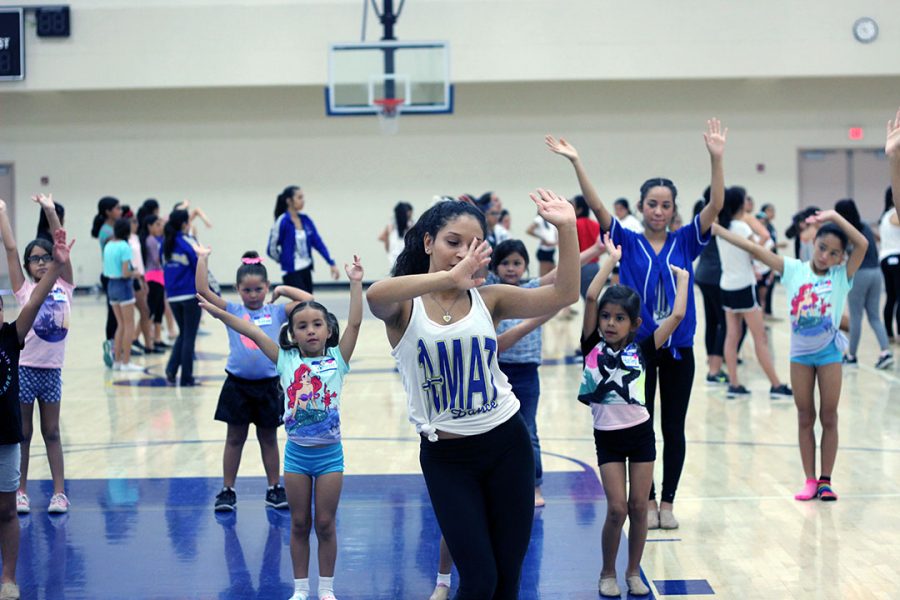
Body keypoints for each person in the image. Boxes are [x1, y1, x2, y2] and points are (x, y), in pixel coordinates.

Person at [367, 192, 579, 599]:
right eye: (453, 242)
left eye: (473, 244)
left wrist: (566, 229)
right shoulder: (404, 308)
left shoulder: (490, 299)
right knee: (479, 579)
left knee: (507, 578)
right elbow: (376, 294)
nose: (463, 252)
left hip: (507, 445)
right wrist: (449, 278)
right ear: (428, 242)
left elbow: (565, 294)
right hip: (448, 459)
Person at [546, 118, 727, 530]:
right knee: (640, 425)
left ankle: (667, 501)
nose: (659, 211)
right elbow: (596, 208)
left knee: (673, 427)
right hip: (636, 355)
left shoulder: (686, 241)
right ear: (642, 206)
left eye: (666, 205)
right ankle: (644, 498)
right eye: (652, 204)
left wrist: (716, 159)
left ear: (674, 209)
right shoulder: (628, 240)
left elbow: (715, 207)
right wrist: (577, 162)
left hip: (678, 349)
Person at [197, 255, 363, 600]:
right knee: (299, 524)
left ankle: (327, 589)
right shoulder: (285, 360)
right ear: (291, 333)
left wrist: (356, 283)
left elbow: (356, 325)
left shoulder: (339, 359)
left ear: (328, 329)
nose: (311, 330)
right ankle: (301, 589)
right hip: (297, 458)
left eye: (317, 324)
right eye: (302, 326)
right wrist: (217, 312)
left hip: (331, 457)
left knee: (326, 524)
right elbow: (251, 330)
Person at [714, 208, 867, 501]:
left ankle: (826, 480)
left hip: (829, 356)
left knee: (830, 416)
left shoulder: (841, 276)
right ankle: (809, 480)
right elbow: (754, 249)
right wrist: (718, 231)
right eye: (822, 248)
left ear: (840, 259)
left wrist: (834, 217)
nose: (825, 256)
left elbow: (862, 244)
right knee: (805, 416)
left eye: (833, 253)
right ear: (813, 243)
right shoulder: (794, 269)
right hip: (800, 357)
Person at [581, 234, 690, 597]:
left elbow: (676, 315)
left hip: (641, 435)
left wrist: (684, 280)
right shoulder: (590, 346)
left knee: (639, 507)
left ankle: (632, 572)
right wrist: (611, 259)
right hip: (607, 438)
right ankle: (606, 571)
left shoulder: (645, 347)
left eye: (620, 318)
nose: (610, 323)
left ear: (635, 323)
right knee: (617, 509)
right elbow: (593, 296)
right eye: (607, 318)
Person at [195, 247, 312, 512]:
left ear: (266, 286)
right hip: (237, 385)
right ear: (237, 289)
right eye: (247, 290)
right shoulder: (233, 309)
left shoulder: (277, 311)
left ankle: (274, 487)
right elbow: (203, 291)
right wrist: (202, 258)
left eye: (259, 289)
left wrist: (283, 289)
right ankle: (227, 489)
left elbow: (308, 300)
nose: (253, 295)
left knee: (268, 439)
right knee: (234, 438)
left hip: (269, 386)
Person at [0, 223, 72, 600]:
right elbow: (11, 250)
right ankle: (23, 489)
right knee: (26, 433)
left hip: (49, 374)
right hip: (25, 373)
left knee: (50, 433)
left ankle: (58, 492)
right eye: (35, 259)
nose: (39, 263)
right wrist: (4, 215)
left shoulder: (60, 288)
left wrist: (58, 263)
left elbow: (40, 292)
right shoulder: (23, 287)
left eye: (45, 258)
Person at [715, 187, 791, 398]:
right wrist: (765, 241)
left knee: (732, 335)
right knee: (760, 338)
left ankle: (734, 384)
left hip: (727, 285)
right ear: (740, 205)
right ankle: (776, 385)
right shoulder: (740, 227)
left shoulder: (722, 226)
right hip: (744, 286)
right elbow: (756, 251)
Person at [834, 199, 893, 368]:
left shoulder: (846, 232)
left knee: (856, 317)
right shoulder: (865, 226)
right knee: (874, 316)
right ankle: (885, 352)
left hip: (859, 274)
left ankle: (851, 356)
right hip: (876, 273)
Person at [267, 185, 340, 293]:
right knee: (301, 305)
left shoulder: (305, 220)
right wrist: (283, 260)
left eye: (303, 197)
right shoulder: (282, 221)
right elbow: (271, 249)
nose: (303, 201)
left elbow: (318, 242)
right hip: (291, 272)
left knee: (309, 303)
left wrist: (331, 263)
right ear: (289, 201)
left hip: (306, 268)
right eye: (299, 197)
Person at [692, 194, 728, 385]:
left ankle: (712, 362)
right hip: (715, 277)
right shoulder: (714, 222)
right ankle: (714, 369)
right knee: (725, 323)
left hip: (704, 275)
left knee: (713, 321)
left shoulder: (700, 220)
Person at [163, 209, 201, 386]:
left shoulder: (166, 243)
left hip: (172, 296)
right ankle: (187, 377)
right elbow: (199, 266)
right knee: (189, 336)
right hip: (189, 294)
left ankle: (171, 369)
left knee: (184, 333)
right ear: (186, 224)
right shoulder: (188, 241)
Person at [103, 217, 143, 372]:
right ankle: (126, 362)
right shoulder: (125, 246)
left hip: (111, 286)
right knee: (129, 325)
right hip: (123, 286)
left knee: (120, 325)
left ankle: (117, 361)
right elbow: (126, 272)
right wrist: (136, 273)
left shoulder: (108, 245)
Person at [90, 196, 123, 368]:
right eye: (117, 208)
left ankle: (117, 345)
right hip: (111, 275)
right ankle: (111, 345)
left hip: (117, 275)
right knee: (113, 313)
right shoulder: (107, 231)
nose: (120, 211)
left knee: (118, 314)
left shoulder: (114, 228)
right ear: (108, 212)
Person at [139, 214, 168, 352]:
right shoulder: (150, 240)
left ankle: (157, 339)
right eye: (157, 224)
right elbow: (157, 260)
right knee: (151, 310)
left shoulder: (155, 239)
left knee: (159, 309)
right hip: (153, 277)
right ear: (149, 226)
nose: (159, 227)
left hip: (158, 277)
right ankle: (145, 339)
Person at [377, 201, 414, 268]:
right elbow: (381, 237)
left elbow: (382, 237)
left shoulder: (391, 226)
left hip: (395, 259)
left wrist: (388, 246)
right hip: (400, 258)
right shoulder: (393, 226)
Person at [526, 212, 558, 277]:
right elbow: (529, 230)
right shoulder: (539, 219)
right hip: (544, 251)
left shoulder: (551, 219)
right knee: (544, 275)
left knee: (553, 274)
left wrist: (556, 241)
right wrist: (542, 239)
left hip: (551, 250)